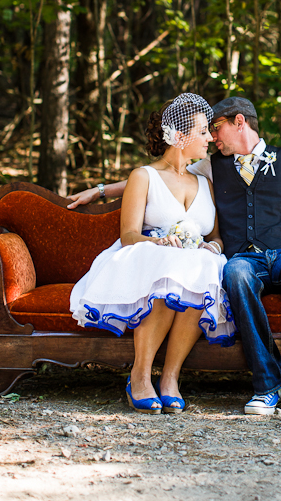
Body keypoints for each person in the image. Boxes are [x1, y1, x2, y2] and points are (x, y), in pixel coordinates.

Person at [68, 97, 281, 419]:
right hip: (245, 259)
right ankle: (269, 386)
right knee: (234, 273)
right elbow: (161, 173)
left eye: (216, 128)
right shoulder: (212, 166)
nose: (212, 137)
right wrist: (99, 191)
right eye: (207, 131)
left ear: (239, 123)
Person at [69, 93, 236, 416]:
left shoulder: (205, 182)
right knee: (168, 268)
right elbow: (129, 235)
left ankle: (171, 377)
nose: (210, 138)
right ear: (180, 136)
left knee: (202, 267)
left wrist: (211, 247)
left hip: (194, 263)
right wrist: (159, 243)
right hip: (148, 257)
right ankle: (140, 375)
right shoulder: (143, 176)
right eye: (203, 132)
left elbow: (215, 237)